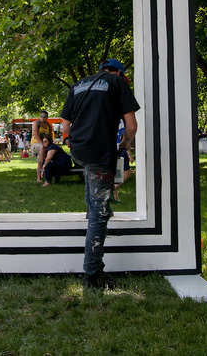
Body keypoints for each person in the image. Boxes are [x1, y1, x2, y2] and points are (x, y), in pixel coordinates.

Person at [61, 58, 140, 290]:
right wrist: (124, 146)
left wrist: (73, 143)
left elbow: (65, 125)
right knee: (100, 212)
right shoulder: (117, 83)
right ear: (118, 72)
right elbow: (131, 126)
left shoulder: (78, 85)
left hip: (80, 150)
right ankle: (93, 274)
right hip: (99, 150)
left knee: (93, 197)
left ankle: (93, 207)